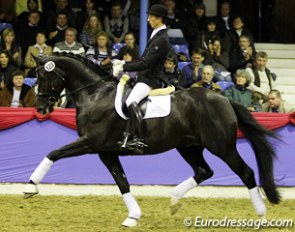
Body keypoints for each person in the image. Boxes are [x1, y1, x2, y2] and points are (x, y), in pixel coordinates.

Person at [112, 4, 171, 153]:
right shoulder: (155, 34)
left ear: (160, 18)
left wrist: (124, 68)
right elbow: (143, 60)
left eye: (152, 16)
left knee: (131, 101)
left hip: (151, 79)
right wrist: (124, 62)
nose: (149, 19)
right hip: (144, 76)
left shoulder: (162, 39)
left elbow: (146, 63)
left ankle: (138, 138)